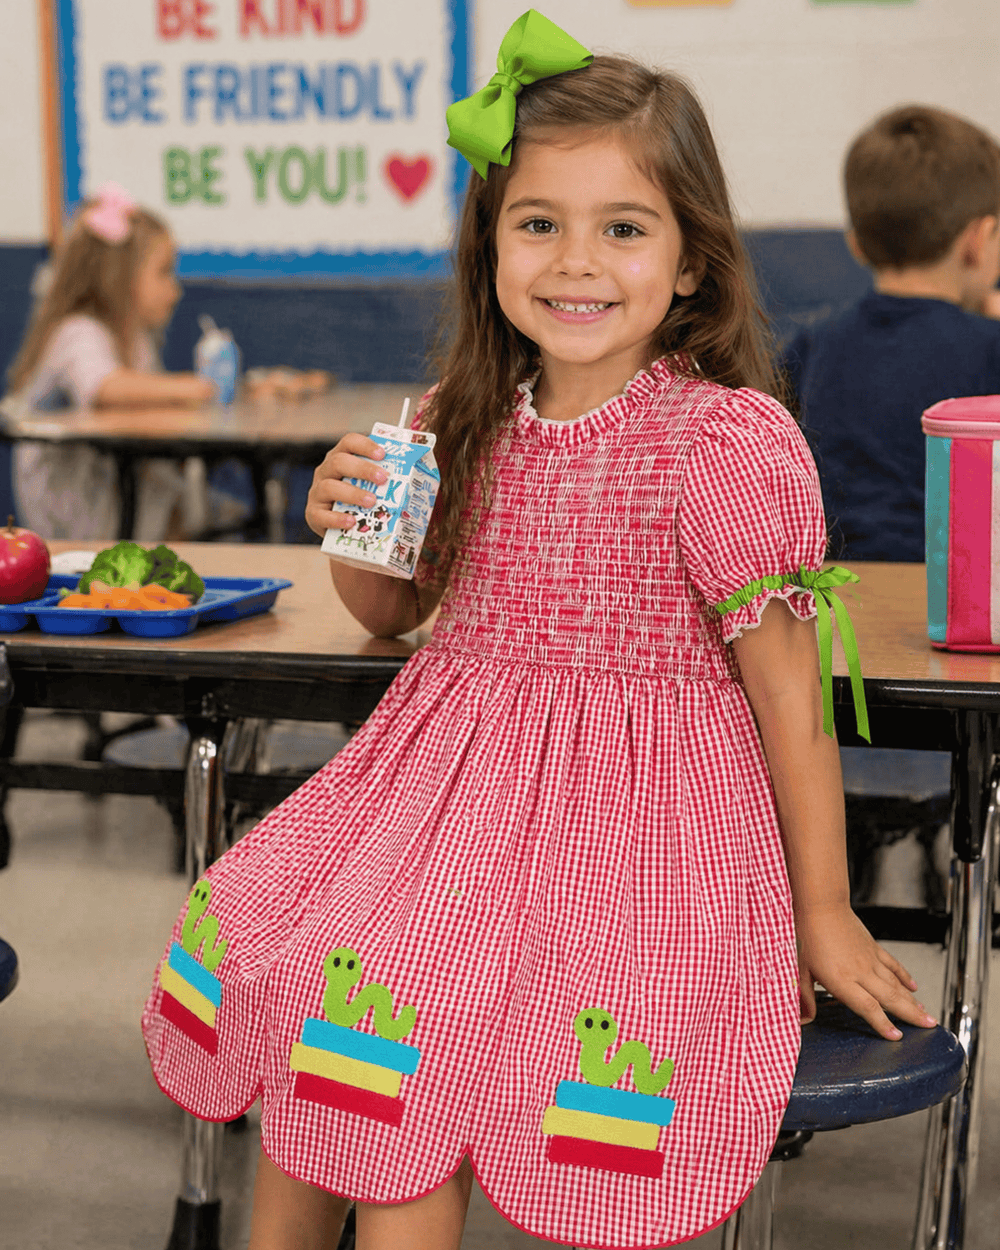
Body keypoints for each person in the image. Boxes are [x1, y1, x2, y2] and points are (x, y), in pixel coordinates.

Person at [142, 12, 936, 1249]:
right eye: (538, 223)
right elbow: (394, 614)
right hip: (450, 800)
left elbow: (788, 694)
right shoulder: (456, 415)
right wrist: (350, 529)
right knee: (302, 972)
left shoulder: (719, 442)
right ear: (491, 246)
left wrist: (822, 911)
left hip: (639, 833)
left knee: (410, 1028)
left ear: (688, 262)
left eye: (622, 227)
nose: (577, 261)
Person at [784, 104, 1000, 562]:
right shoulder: (990, 346)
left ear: (856, 243)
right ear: (979, 240)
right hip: (954, 591)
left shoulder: (812, 344)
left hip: (832, 589)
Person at [4, 183, 218, 540]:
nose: (175, 289)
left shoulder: (135, 339)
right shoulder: (79, 332)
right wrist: (193, 387)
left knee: (193, 495)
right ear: (120, 277)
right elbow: (104, 387)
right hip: (73, 501)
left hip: (105, 483)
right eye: (164, 272)